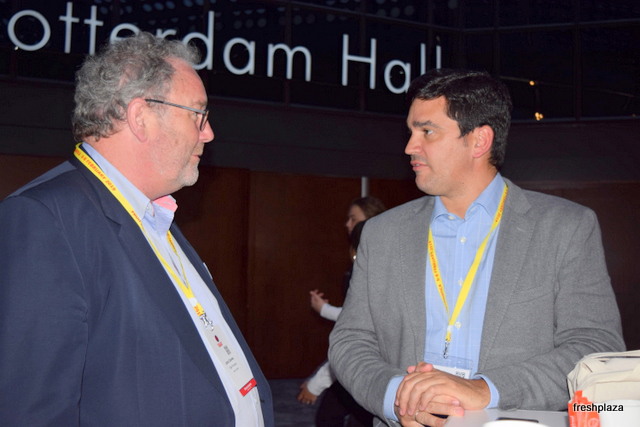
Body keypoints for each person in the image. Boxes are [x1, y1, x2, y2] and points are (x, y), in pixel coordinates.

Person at [0, 32, 273, 426]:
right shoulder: (46, 220)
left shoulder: (152, 214)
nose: (208, 133)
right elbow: (31, 410)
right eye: (198, 114)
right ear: (141, 116)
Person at [328, 68, 625, 427]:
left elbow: (595, 346)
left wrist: (486, 390)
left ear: (479, 141)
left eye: (427, 131)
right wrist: (397, 396)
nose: (409, 147)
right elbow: (350, 341)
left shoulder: (564, 228)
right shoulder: (382, 233)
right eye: (411, 132)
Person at [298, 198, 385, 426]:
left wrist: (317, 383)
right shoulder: (367, 266)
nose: (347, 224)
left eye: (353, 219)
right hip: (365, 365)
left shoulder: (378, 269)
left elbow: (361, 326)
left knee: (335, 416)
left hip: (369, 366)